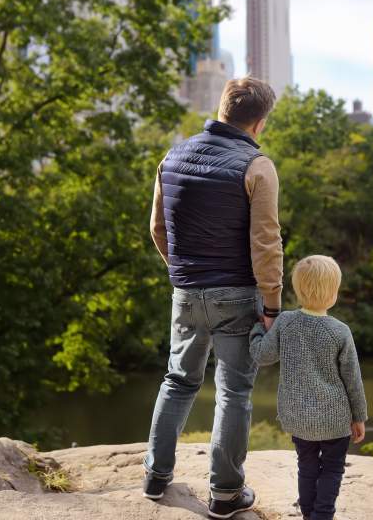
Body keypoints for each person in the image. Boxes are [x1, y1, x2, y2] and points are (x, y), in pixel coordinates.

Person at [143, 77, 284, 519]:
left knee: (178, 380)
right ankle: (225, 494)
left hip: (185, 291)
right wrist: (273, 303)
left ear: (222, 108)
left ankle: (155, 475)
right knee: (234, 393)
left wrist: (182, 272)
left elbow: (156, 228)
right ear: (258, 124)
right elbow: (266, 242)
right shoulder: (257, 166)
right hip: (236, 295)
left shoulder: (172, 157)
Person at [249, 255, 367, 520]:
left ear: (298, 289)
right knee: (333, 469)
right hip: (335, 421)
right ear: (333, 293)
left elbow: (262, 356)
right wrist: (359, 416)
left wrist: (257, 329)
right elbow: (353, 380)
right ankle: (322, 515)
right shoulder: (340, 331)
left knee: (307, 466)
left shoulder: (286, 322)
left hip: (299, 419)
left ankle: (308, 514)